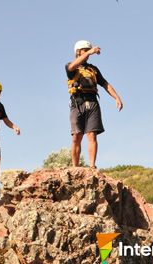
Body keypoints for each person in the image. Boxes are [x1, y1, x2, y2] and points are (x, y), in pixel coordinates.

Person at [65, 40, 123, 169]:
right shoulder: (70, 66)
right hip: (77, 103)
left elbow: (105, 84)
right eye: (85, 50)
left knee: (92, 135)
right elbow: (71, 67)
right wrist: (91, 51)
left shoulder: (93, 69)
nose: (88, 53)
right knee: (77, 136)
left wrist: (117, 98)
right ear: (78, 52)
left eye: (88, 50)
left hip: (92, 103)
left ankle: (92, 166)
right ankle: (75, 167)